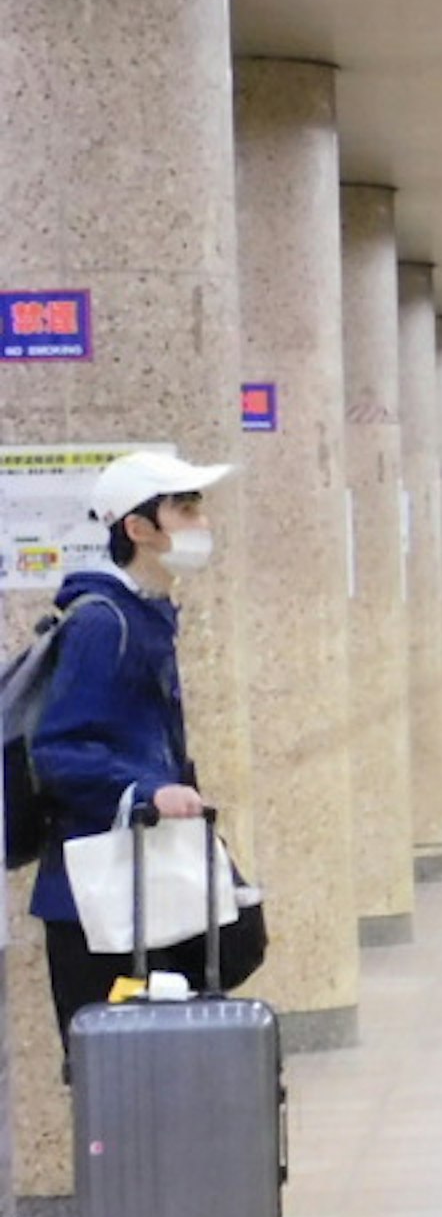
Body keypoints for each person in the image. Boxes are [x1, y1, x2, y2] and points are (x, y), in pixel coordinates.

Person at [25, 448, 263, 1056]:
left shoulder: (146, 614)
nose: (201, 523)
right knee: (118, 1072)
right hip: (100, 897)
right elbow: (58, 749)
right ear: (137, 529)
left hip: (138, 876)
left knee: (228, 957)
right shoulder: (105, 624)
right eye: (184, 509)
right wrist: (148, 791)